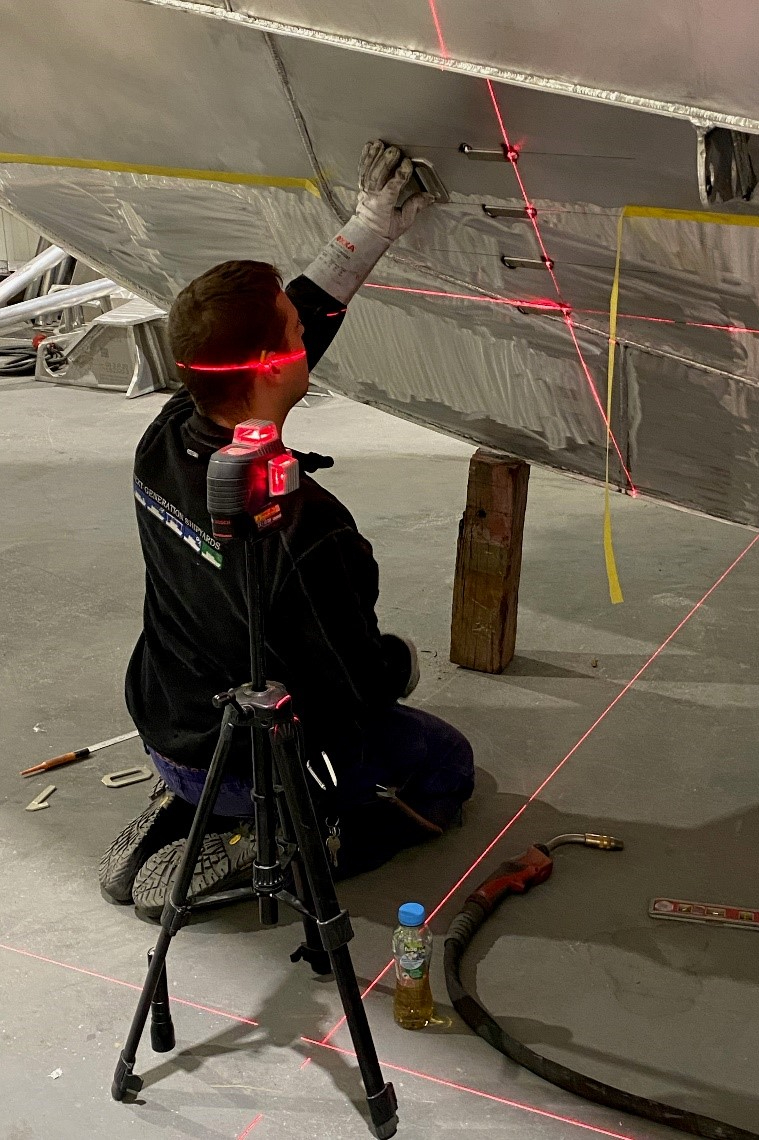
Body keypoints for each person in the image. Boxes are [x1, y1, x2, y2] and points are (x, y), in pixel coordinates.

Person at [100, 142, 475, 918]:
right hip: (248, 761)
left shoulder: (166, 438)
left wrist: (368, 228)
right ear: (274, 366)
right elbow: (344, 694)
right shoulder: (309, 530)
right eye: (290, 334)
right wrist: (390, 666)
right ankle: (272, 844)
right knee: (442, 768)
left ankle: (181, 814)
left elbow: (275, 338)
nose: (304, 337)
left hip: (166, 722)